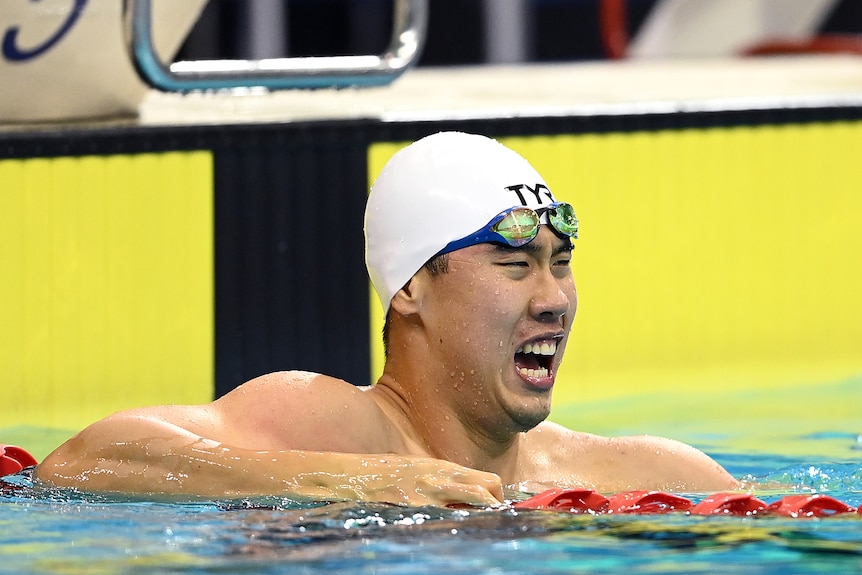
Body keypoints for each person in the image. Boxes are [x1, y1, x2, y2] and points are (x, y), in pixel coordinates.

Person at [34, 132, 740, 506]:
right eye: (515, 264)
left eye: (561, 262)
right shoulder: (323, 422)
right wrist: (351, 480)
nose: (553, 295)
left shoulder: (645, 471)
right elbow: (83, 460)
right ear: (409, 288)